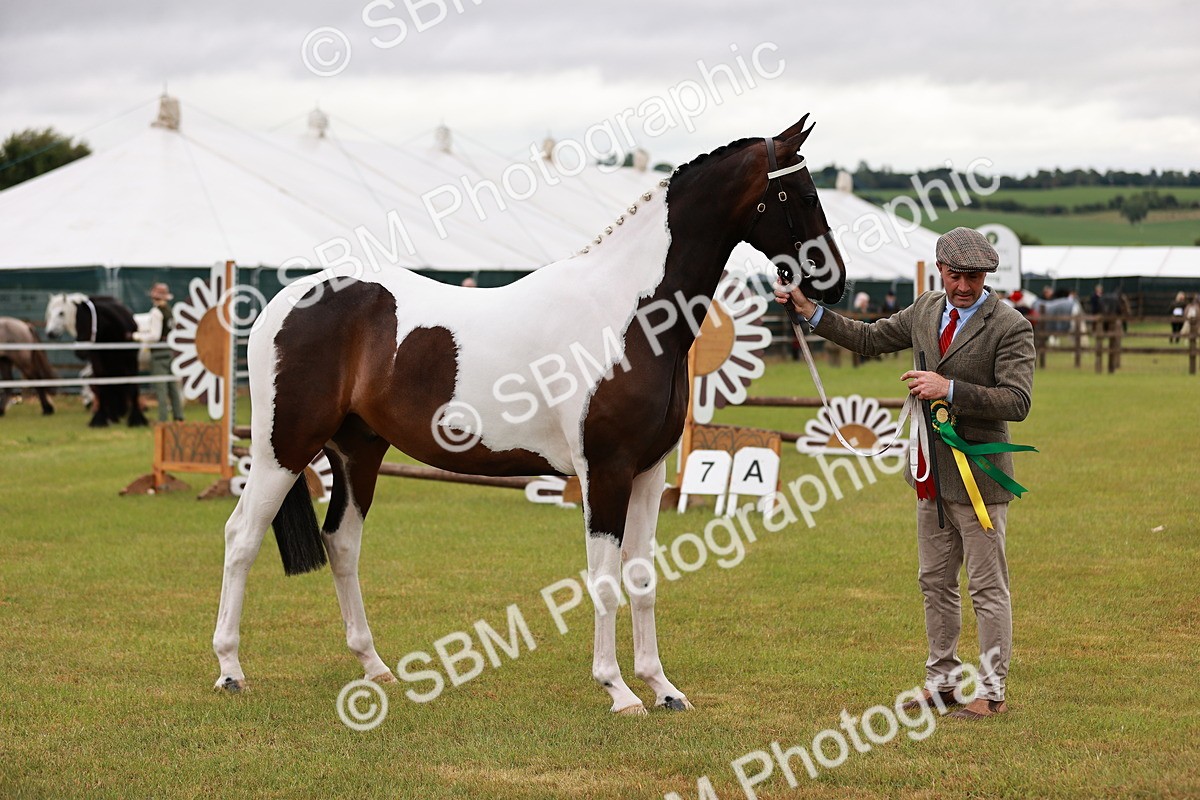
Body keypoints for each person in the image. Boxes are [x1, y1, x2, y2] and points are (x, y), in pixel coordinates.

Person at [775, 227, 1035, 721]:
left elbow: (1017, 401)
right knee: (934, 582)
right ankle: (941, 682)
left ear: (986, 275)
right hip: (930, 476)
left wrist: (949, 388)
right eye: (956, 275)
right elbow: (871, 338)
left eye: (974, 277)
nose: (964, 285)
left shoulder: (1011, 325)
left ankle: (993, 691)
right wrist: (812, 312)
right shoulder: (924, 309)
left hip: (980, 480)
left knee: (986, 587)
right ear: (940, 268)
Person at [134, 282, 184, 422]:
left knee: (161, 389)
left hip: (159, 353)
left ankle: (163, 419)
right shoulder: (169, 311)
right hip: (169, 352)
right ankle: (178, 416)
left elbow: (154, 336)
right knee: (173, 387)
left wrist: (137, 336)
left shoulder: (156, 312)